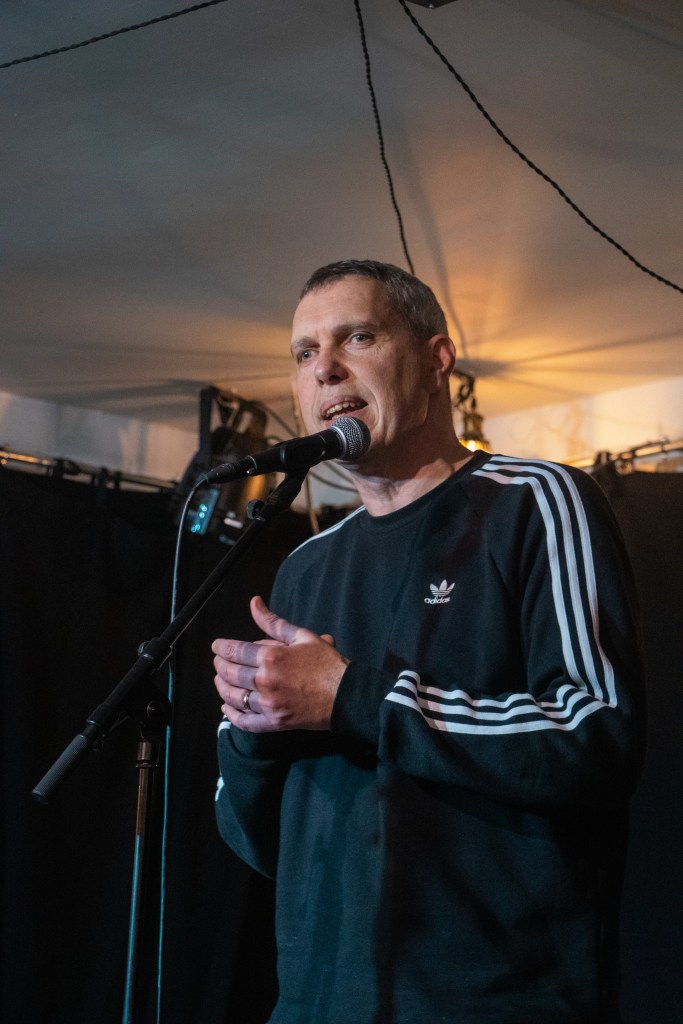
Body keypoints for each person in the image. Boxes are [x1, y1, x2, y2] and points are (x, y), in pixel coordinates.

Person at [212, 259, 645, 1024]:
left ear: (436, 359)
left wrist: (350, 696)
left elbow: (594, 735)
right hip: (316, 1002)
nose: (325, 368)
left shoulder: (535, 501)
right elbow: (259, 839)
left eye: (357, 337)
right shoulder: (306, 565)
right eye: (305, 353)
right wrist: (251, 736)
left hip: (493, 1000)